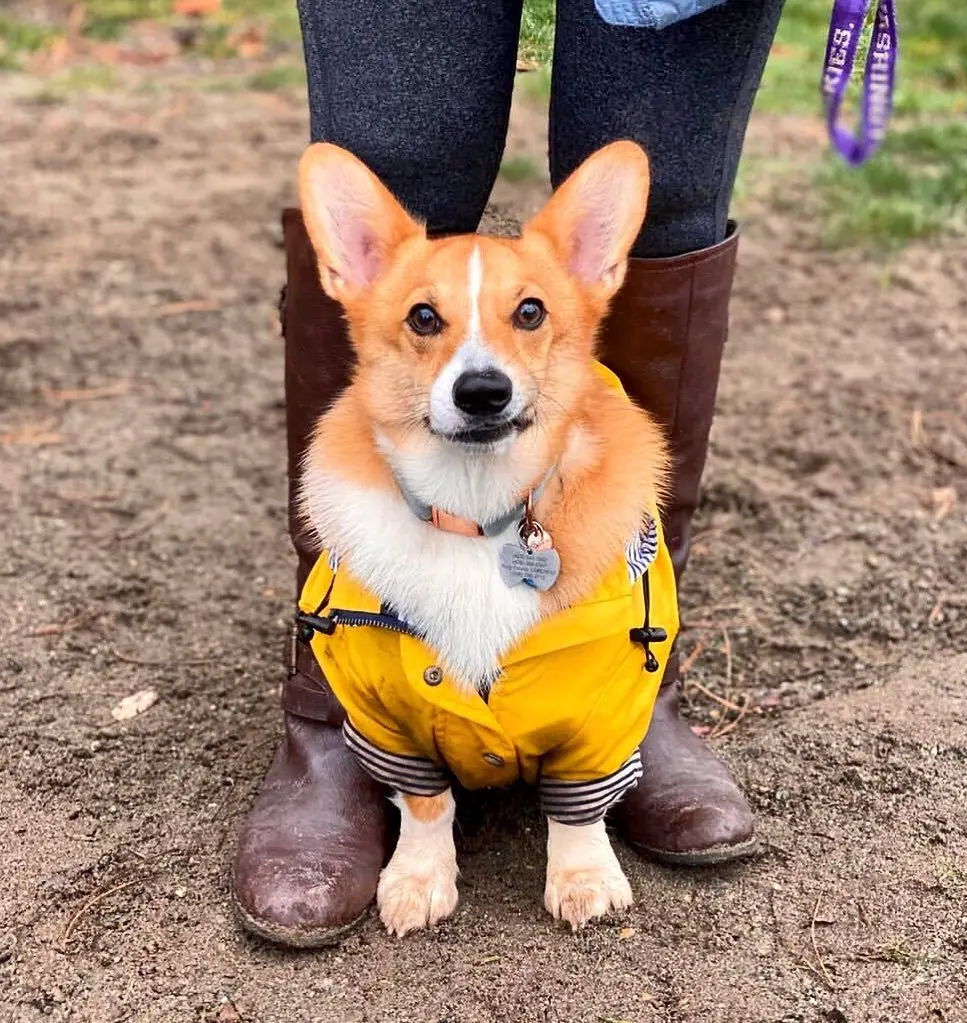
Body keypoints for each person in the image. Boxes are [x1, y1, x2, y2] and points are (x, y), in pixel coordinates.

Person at [232, 0, 787, 947]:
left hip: (557, 512)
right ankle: (339, 713)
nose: (478, 367)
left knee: (668, 161)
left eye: (527, 315)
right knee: (395, 139)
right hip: (407, 509)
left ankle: (627, 691)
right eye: (427, 321)